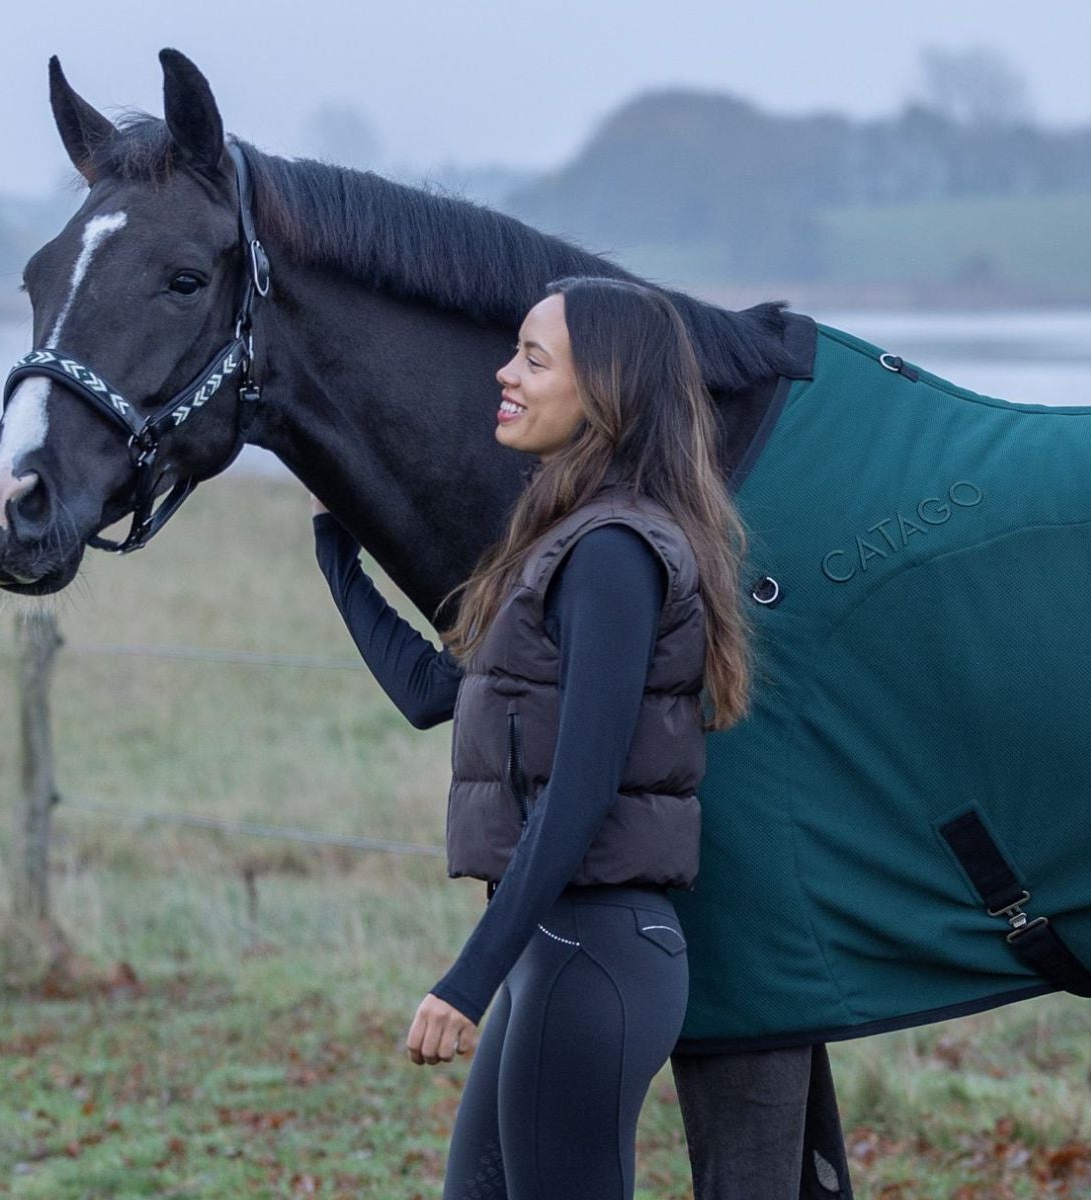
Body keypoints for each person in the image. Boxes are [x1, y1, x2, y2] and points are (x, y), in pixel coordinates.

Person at [309, 275, 756, 1199]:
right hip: (554, 951)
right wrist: (339, 560)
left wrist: (466, 980)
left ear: (606, 390)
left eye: (533, 359)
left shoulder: (613, 554)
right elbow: (434, 693)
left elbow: (583, 791)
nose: (505, 374)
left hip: (594, 952)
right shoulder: (569, 537)